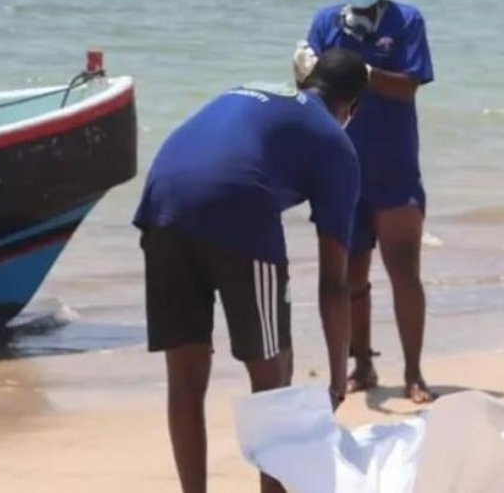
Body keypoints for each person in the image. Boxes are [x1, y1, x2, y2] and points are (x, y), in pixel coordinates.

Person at [133, 48, 368, 493]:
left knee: (185, 377)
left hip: (161, 201)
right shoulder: (336, 143)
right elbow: (334, 283)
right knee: (273, 381)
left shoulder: (256, 91)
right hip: (237, 206)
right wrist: (338, 381)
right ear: (351, 107)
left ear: (306, 81)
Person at [293, 0, 436, 403]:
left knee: (404, 272)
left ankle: (414, 372)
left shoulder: (406, 21)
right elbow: (312, 90)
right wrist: (304, 72)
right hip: (341, 169)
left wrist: (362, 73)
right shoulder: (325, 23)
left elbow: (409, 86)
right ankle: (362, 364)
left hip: (394, 167)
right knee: (350, 277)